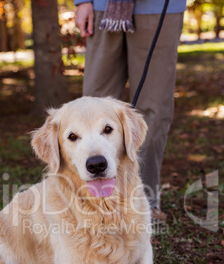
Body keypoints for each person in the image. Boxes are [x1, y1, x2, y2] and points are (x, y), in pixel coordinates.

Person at [74, 0, 186, 220]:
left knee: (153, 109)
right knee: (93, 106)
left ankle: (144, 202)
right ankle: (94, 202)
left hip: (160, 7)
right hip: (101, 6)